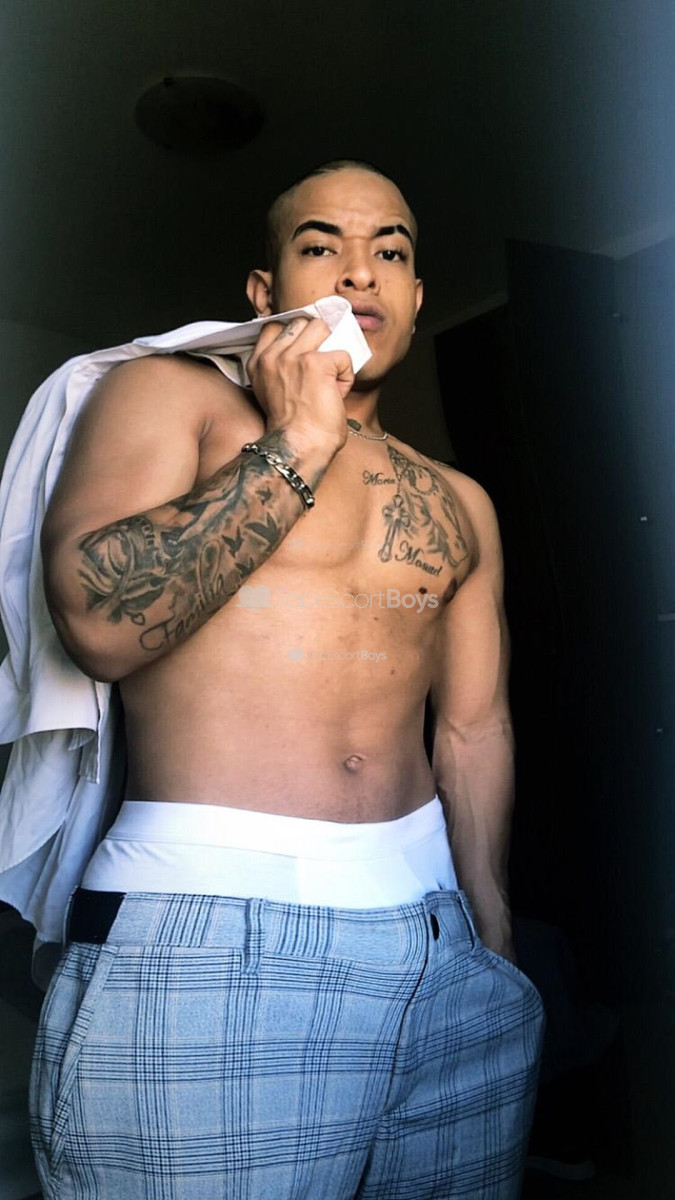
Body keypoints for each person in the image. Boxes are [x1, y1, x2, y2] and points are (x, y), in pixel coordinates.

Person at [30, 160, 544, 1199]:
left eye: (390, 251)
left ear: (416, 297)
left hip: (442, 949)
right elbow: (98, 625)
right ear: (265, 292)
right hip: (211, 933)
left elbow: (473, 729)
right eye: (322, 246)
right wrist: (303, 437)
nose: (360, 272)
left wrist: (491, 936)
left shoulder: (460, 503)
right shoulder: (167, 398)